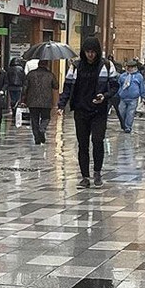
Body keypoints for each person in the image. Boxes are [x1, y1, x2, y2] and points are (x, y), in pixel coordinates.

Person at [57, 37, 119, 189]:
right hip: (81, 109)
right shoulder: (76, 66)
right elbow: (68, 86)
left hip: (99, 110)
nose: (90, 55)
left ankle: (97, 172)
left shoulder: (107, 65)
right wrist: (61, 105)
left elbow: (115, 86)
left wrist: (104, 96)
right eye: (87, 52)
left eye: (93, 52)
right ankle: (85, 177)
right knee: (82, 144)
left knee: (98, 141)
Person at [21, 59, 58, 145]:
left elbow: (25, 88)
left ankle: (37, 138)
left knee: (34, 120)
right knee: (46, 118)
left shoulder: (31, 74)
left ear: (38, 64)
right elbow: (56, 86)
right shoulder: (50, 75)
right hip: (46, 101)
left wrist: (23, 99)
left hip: (32, 101)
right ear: (46, 65)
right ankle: (42, 129)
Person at [117, 59, 145, 133]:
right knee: (121, 112)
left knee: (130, 113)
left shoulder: (139, 76)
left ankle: (128, 127)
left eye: (131, 67)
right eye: (128, 67)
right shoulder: (122, 76)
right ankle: (123, 124)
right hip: (123, 98)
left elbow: (142, 87)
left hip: (133, 98)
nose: (129, 68)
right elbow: (118, 85)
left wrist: (143, 96)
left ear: (135, 67)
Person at [7, 58, 26, 122]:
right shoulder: (21, 69)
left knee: (12, 98)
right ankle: (15, 109)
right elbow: (23, 77)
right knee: (17, 99)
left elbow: (7, 77)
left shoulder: (9, 69)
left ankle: (13, 109)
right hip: (19, 86)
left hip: (11, 86)